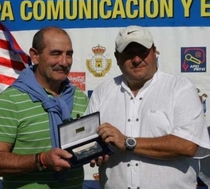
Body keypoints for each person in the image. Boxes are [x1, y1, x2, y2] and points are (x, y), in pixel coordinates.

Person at [87, 25, 210, 189]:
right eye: (129, 53)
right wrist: (95, 152)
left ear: (154, 52)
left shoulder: (180, 88)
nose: (137, 59)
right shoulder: (102, 92)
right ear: (117, 58)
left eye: (142, 51)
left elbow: (188, 145)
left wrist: (127, 142)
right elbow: (88, 142)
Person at [0, 26, 89, 189]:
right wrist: (41, 160)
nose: (64, 62)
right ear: (35, 55)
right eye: (56, 53)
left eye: (69, 54)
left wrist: (97, 151)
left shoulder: (80, 98)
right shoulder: (10, 100)